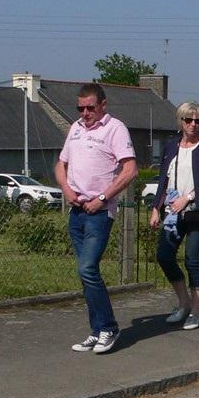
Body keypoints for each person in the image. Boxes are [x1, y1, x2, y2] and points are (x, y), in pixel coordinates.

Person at [54, 82, 137, 354]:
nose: (85, 113)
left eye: (90, 108)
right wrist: (67, 190)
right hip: (77, 210)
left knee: (88, 269)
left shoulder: (115, 129)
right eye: (80, 108)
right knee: (85, 274)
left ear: (103, 105)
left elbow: (130, 170)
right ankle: (97, 330)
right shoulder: (76, 128)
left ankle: (109, 328)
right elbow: (61, 164)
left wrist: (102, 198)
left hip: (99, 213)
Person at [149, 102, 199, 331]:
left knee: (192, 259)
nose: (193, 124)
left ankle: (195, 311)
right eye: (188, 120)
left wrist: (188, 198)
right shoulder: (171, 146)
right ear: (180, 121)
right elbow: (164, 179)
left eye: (198, 121)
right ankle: (183, 302)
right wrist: (156, 207)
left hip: (198, 213)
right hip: (173, 213)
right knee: (164, 256)